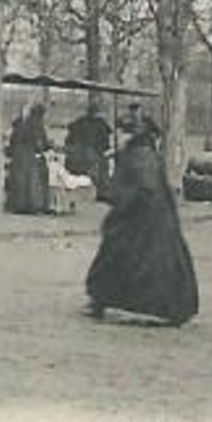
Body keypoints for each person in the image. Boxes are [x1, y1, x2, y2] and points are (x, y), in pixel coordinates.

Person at [85, 119, 199, 325]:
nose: (116, 139)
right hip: (149, 216)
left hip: (142, 219)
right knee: (119, 257)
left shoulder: (140, 155)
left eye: (120, 134)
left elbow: (145, 187)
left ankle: (156, 306)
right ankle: (101, 301)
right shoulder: (141, 153)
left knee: (133, 260)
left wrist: (121, 203)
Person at [6, 103, 54, 214]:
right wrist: (47, 147)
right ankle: (33, 205)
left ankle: (17, 205)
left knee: (19, 181)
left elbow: (12, 142)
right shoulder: (36, 124)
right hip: (29, 156)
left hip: (17, 156)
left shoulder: (19, 124)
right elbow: (39, 142)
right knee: (34, 179)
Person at [64, 102, 114, 198]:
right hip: (89, 155)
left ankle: (101, 190)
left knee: (101, 163)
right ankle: (103, 191)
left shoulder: (80, 122)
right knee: (103, 164)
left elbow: (69, 140)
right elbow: (105, 143)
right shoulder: (99, 124)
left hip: (79, 155)